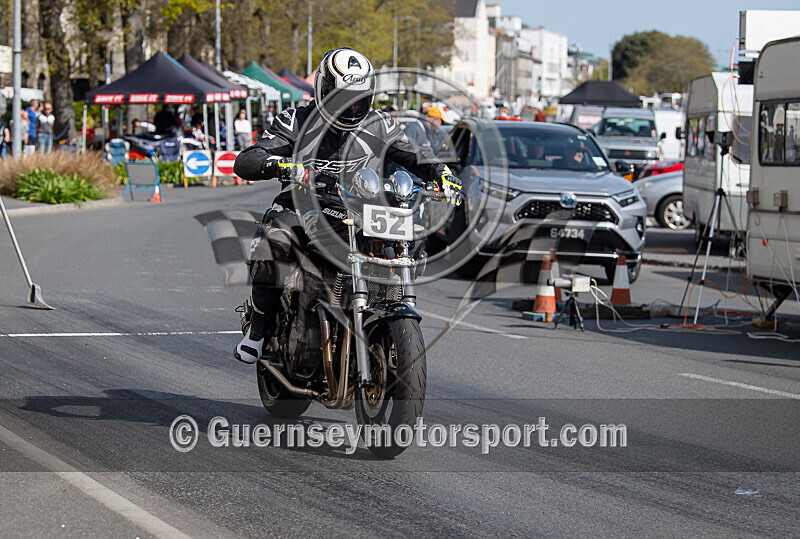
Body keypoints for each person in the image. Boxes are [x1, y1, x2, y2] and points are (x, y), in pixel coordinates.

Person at [232, 47, 462, 364]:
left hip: (362, 210)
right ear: (323, 90)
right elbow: (248, 159)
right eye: (341, 97)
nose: (350, 106)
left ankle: (384, 313)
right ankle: (257, 332)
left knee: (411, 236)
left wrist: (443, 173)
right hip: (303, 208)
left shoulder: (381, 124)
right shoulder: (297, 120)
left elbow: (416, 156)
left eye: (358, 97)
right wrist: (284, 166)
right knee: (272, 246)